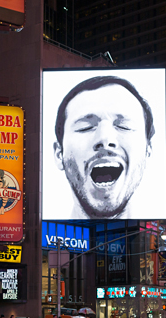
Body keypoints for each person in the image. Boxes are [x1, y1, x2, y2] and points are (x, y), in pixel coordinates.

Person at [52, 76, 156, 219]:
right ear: (59, 154)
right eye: (85, 128)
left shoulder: (151, 237)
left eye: (124, 126)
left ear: (147, 151)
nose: (105, 139)